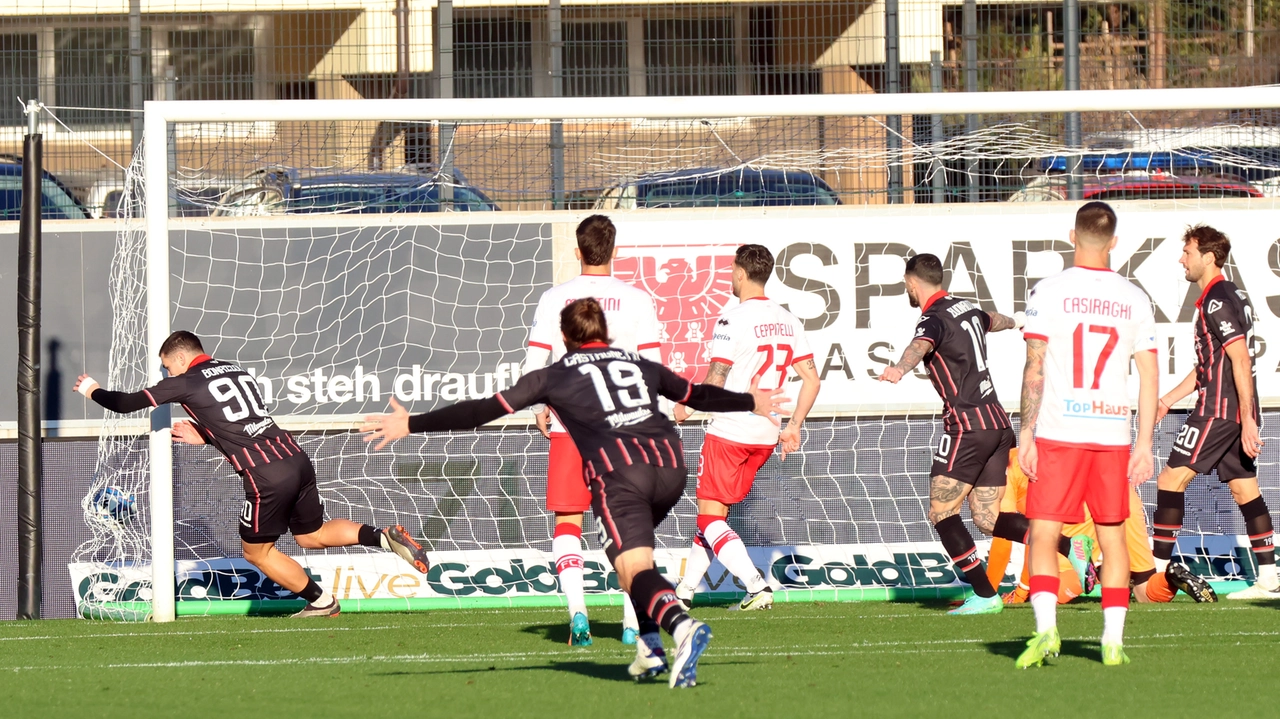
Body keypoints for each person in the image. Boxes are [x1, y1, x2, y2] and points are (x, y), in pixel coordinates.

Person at [361, 298, 789, 688]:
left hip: (623, 474)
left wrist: (410, 424)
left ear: (564, 338)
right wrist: (751, 401)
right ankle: (650, 649)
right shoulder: (640, 364)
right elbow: (698, 395)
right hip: (670, 466)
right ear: (608, 332)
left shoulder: (555, 375)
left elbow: (481, 410)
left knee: (633, 568)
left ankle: (681, 627)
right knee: (629, 562)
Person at [74, 331, 430, 618]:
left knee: (257, 554)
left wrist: (90, 389)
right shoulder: (236, 371)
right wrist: (207, 435)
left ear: (181, 358)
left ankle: (321, 602)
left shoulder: (186, 381)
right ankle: (382, 537)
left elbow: (122, 404)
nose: (168, 375)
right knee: (311, 535)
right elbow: (243, 425)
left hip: (266, 476)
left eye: (168, 367)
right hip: (295, 458)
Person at [878, 253, 1093, 615]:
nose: (907, 291)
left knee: (942, 513)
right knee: (988, 518)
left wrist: (900, 369)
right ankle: (1070, 546)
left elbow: (921, 346)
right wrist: (1020, 321)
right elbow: (994, 320)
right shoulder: (966, 308)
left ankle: (984, 594)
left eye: (906, 285)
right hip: (996, 423)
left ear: (913, 283)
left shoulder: (931, 318)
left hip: (967, 426)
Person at [1015, 201, 1159, 668]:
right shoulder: (1135, 298)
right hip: (1113, 435)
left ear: (1072, 237)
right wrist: (1144, 444)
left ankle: (1046, 632)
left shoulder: (1049, 290)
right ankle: (1112, 642)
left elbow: (1034, 365)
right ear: (1114, 242)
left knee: (1043, 533)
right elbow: (1150, 375)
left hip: (1060, 432)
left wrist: (1026, 434)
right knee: (1112, 538)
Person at [523, 214, 663, 645]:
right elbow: (654, 366)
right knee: (631, 526)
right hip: (626, 428)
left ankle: (578, 616)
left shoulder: (555, 298)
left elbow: (535, 361)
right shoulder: (638, 299)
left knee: (569, 522)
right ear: (614, 251)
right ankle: (630, 622)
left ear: (578, 252)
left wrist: (539, 406)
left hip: (573, 426)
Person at [672, 244, 821, 612]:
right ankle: (684, 592)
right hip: (766, 434)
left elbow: (717, 376)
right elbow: (812, 381)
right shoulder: (789, 320)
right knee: (713, 518)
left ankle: (757, 586)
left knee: (709, 517)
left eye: (731, 270)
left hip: (731, 430)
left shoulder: (731, 319)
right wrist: (794, 426)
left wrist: (687, 406)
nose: (729, 276)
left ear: (740, 273)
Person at [1150, 225, 1276, 600]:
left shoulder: (1217, 299)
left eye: (1187, 252)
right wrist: (1167, 399)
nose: (1181, 259)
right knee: (1244, 489)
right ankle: (1269, 578)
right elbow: (1212, 364)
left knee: (1169, 480)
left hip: (1219, 411)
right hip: (1234, 410)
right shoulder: (1229, 294)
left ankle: (1157, 577)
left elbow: (1239, 359)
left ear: (1208, 256)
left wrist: (1247, 420)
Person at [989, 449, 1216, 605]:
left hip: (1080, 507)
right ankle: (1170, 578)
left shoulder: (1004, 467)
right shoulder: (1038, 452)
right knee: (1144, 591)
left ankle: (1094, 572)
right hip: (1120, 492)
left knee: (1047, 590)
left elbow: (1016, 533)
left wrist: (1012, 592)